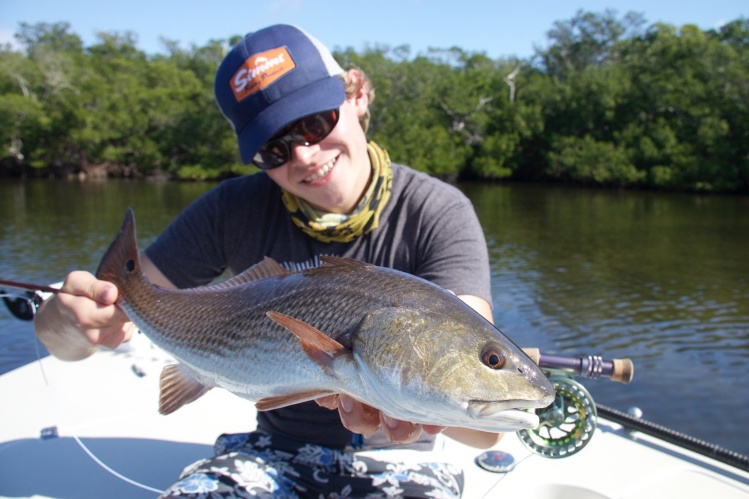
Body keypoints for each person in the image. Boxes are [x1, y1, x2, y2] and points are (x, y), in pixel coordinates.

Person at [35, 24, 499, 498]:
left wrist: (412, 407)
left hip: (401, 457)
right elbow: (93, 326)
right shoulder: (229, 210)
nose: (303, 155)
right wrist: (69, 322)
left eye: (315, 122)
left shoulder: (439, 212)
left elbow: (486, 425)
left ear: (357, 94)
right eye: (272, 149)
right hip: (271, 451)